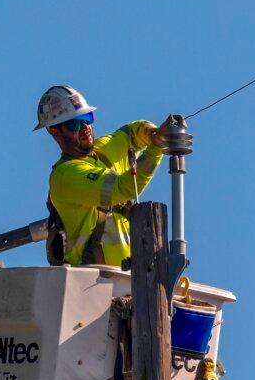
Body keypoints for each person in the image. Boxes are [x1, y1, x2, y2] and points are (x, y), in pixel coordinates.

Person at [36, 85, 175, 268]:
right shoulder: (65, 175)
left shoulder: (103, 152)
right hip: (92, 281)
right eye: (74, 124)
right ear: (55, 132)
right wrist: (156, 147)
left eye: (86, 118)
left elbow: (132, 132)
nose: (85, 127)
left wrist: (152, 133)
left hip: (131, 278)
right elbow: (122, 188)